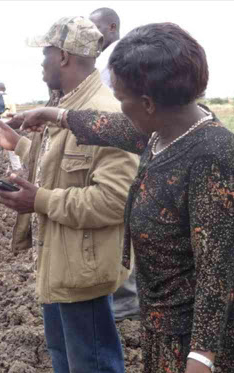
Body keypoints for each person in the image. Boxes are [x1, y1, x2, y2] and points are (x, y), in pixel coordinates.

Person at [7, 22, 234, 373]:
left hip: (194, 339)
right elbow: (109, 126)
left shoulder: (213, 156)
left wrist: (201, 359)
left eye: (121, 98)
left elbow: (218, 268)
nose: (116, 105)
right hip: (161, 324)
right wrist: (54, 114)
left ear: (148, 104)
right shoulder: (162, 132)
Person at [0, 17, 138, 373]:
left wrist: (39, 200)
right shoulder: (64, 106)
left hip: (84, 276)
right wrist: (17, 144)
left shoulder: (104, 114)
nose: (42, 61)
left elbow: (116, 201)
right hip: (57, 266)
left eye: (46, 52)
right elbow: (64, 168)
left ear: (65, 57)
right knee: (67, 367)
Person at [89, 7, 140, 322]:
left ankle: (126, 300)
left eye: (96, 29)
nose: (92, 37)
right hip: (117, 139)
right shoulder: (108, 60)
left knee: (122, 212)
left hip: (124, 142)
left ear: (111, 26)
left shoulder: (122, 59)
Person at [89, 7, 120, 89]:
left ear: (112, 27)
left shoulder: (117, 56)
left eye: (95, 28)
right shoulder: (104, 56)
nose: (90, 35)